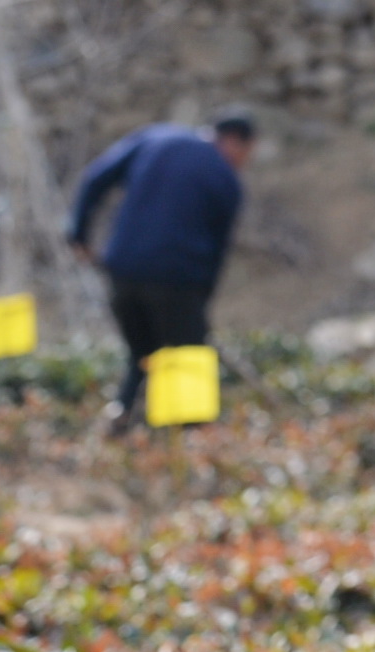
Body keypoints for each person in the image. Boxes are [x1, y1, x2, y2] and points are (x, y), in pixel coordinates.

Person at [69, 112, 256, 431]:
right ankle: (186, 449)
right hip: (178, 279)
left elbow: (94, 178)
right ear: (235, 142)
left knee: (142, 353)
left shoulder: (155, 138)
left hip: (122, 269)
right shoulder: (225, 179)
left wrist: (78, 235)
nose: (244, 162)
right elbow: (217, 252)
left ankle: (121, 419)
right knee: (187, 361)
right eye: (246, 154)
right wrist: (202, 301)